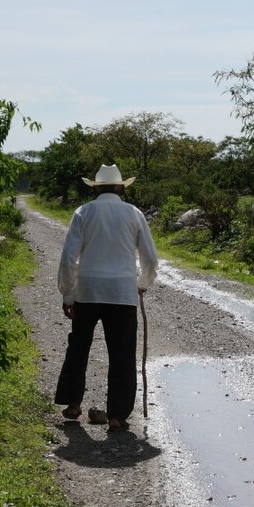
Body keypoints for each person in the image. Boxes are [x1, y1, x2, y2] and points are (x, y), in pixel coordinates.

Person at [54, 164, 158, 431]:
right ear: (122, 188)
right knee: (122, 354)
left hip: (87, 291)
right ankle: (117, 416)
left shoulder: (83, 212)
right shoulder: (134, 213)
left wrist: (68, 294)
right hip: (122, 294)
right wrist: (142, 284)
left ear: (96, 189)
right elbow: (151, 259)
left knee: (79, 347)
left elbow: (69, 257)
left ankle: (73, 403)